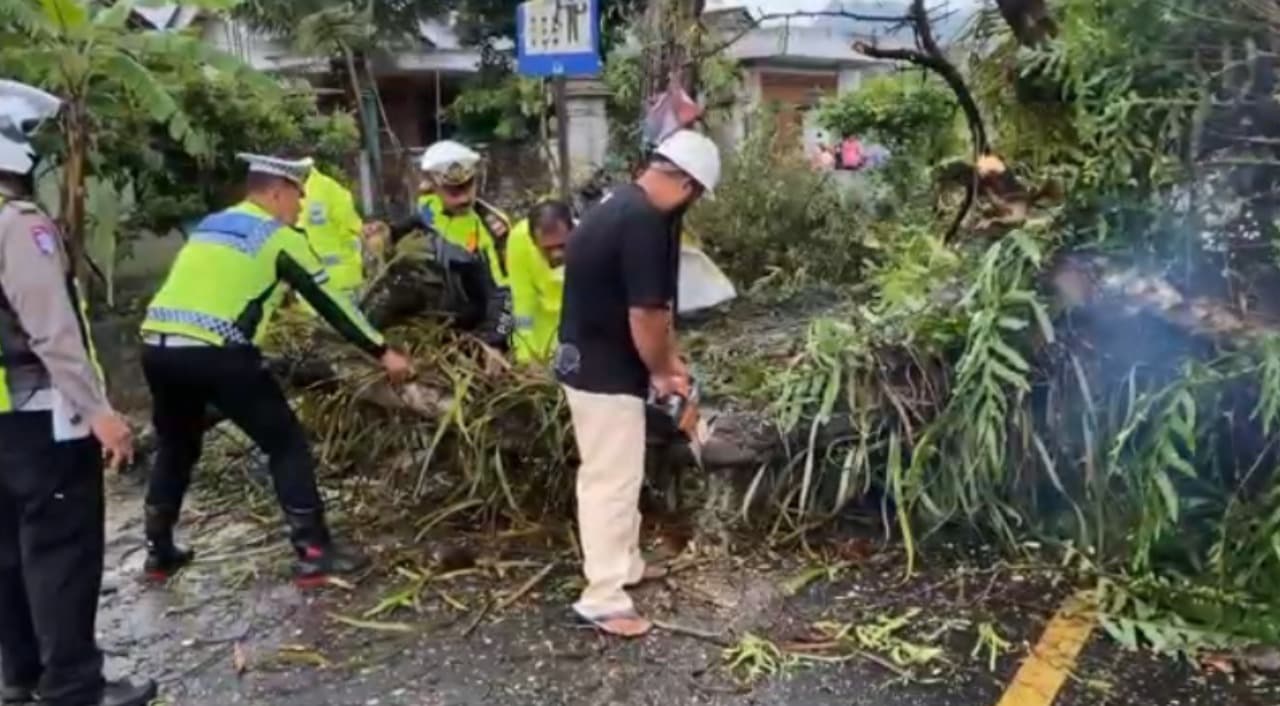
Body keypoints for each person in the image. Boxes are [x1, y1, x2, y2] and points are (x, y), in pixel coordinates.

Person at [139, 152, 414, 586]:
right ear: (275, 192)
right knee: (285, 442)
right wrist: (383, 352)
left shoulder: (211, 225)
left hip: (157, 346)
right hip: (219, 351)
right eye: (297, 197)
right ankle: (314, 553)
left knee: (177, 445)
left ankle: (158, 552)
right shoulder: (279, 237)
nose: (301, 207)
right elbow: (332, 304)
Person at [0, 79, 157, 706]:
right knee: (61, 550)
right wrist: (100, 412)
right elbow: (52, 329)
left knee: (7, 556)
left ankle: (22, 677)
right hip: (38, 415)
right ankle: (72, 685)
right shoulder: (16, 224)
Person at [554, 129, 721, 637]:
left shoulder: (616, 204)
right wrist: (664, 370)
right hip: (605, 370)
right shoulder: (646, 221)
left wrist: (668, 360)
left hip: (586, 357)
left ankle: (625, 565)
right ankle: (602, 597)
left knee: (621, 473)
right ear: (687, 184)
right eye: (695, 196)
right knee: (609, 480)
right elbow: (647, 314)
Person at [383, 140, 514, 348]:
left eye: (468, 186)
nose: (463, 198)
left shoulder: (490, 227)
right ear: (434, 186)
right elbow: (414, 221)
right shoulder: (429, 205)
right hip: (435, 327)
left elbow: (505, 293)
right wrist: (387, 234)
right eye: (453, 191)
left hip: (477, 332)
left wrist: (494, 342)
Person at [508, 201, 573, 365]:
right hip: (540, 324)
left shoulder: (590, 241)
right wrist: (526, 356)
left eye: (561, 245)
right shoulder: (519, 243)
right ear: (533, 241)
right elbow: (522, 305)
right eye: (547, 248)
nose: (557, 254)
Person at [298, 166, 365, 305]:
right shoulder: (288, 194)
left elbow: (354, 227)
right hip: (309, 284)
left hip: (340, 282)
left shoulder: (329, 189)